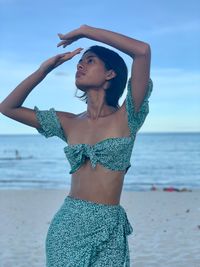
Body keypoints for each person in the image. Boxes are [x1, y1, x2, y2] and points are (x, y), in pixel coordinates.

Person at [0, 25, 153, 266]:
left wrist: (84, 32)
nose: (79, 65)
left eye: (89, 61)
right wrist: (44, 71)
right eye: (79, 62)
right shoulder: (68, 123)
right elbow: (8, 107)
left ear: (110, 74)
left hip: (109, 227)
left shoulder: (128, 116)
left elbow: (142, 51)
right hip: (68, 225)